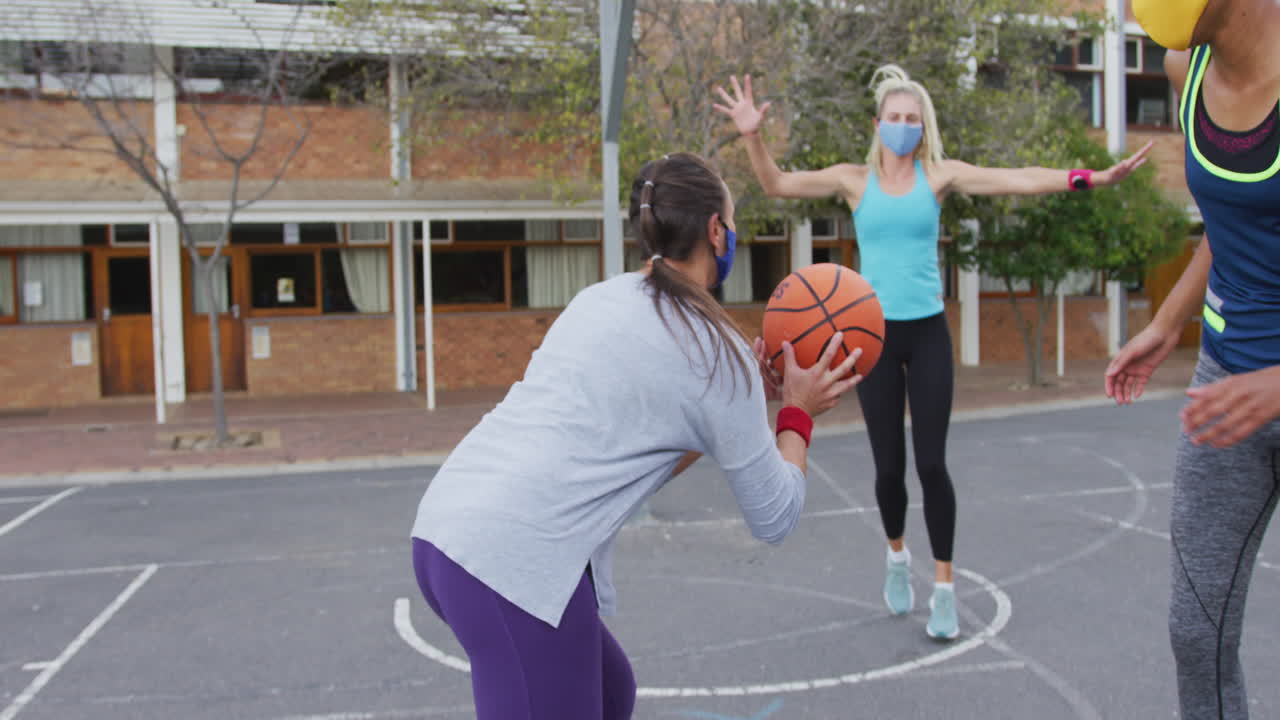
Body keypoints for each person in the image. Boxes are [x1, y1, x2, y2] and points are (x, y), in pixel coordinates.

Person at [409, 152, 864, 719]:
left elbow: (635, 445)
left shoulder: (599, 299)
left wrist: (747, 409)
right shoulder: (719, 356)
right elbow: (775, 515)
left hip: (444, 533)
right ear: (717, 230)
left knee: (611, 692)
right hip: (510, 565)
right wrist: (797, 412)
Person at [715, 65, 1152, 640]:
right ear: (878, 124)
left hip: (926, 334)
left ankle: (944, 586)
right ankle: (897, 554)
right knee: (889, 469)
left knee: (931, 464)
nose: (902, 126)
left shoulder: (938, 176)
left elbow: (1017, 178)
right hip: (868, 340)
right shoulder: (853, 180)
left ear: (922, 129)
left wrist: (1088, 178)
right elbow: (776, 185)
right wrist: (752, 135)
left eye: (912, 120)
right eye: (894, 117)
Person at [1108, 1, 1280, 716]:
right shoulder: (1187, 67)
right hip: (1223, 385)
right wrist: (1169, 321)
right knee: (1196, 631)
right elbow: (1230, 221)